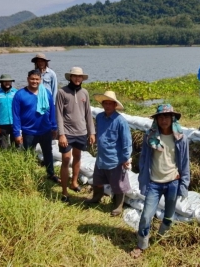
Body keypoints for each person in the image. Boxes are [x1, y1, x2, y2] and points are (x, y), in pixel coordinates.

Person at [130, 104, 190, 258]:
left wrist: (183, 183)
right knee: (146, 215)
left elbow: (184, 163)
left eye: (167, 117)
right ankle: (141, 245)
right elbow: (143, 158)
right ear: (156, 120)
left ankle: (161, 236)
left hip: (173, 183)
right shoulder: (150, 137)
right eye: (160, 117)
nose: (164, 120)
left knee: (169, 217)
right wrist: (143, 175)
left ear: (172, 118)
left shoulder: (181, 139)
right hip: (154, 183)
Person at [85, 91, 132, 217]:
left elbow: (127, 141)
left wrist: (125, 158)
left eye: (110, 103)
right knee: (97, 180)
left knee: (118, 184)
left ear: (115, 105)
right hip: (101, 156)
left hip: (115, 158)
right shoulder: (100, 117)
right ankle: (96, 197)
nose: (107, 105)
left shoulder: (120, 121)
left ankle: (118, 205)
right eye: (105, 103)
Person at [12, 69, 60, 183]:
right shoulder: (20, 95)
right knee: (29, 154)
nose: (34, 81)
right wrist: (17, 133)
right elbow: (16, 115)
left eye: (37, 79)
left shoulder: (46, 93)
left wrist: (54, 127)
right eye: (32, 79)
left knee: (48, 153)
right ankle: (28, 174)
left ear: (40, 80)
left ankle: (51, 174)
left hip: (45, 130)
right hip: (29, 131)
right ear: (28, 79)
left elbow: (52, 111)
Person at [56, 67, 96, 203]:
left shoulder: (84, 93)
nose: (77, 79)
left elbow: (88, 114)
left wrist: (91, 132)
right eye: (75, 76)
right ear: (70, 77)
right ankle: (64, 191)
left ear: (82, 78)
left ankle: (74, 183)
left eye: (80, 77)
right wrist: (61, 134)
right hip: (67, 133)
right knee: (66, 159)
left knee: (78, 157)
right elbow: (59, 115)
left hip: (81, 132)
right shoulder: (62, 92)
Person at [0, 74, 18, 149]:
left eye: (9, 81)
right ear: (1, 82)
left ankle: (16, 158)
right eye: (5, 81)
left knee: (16, 145)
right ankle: (4, 158)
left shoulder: (16, 92)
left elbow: (19, 107)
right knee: (3, 146)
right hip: (2, 123)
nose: (7, 83)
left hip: (14, 122)